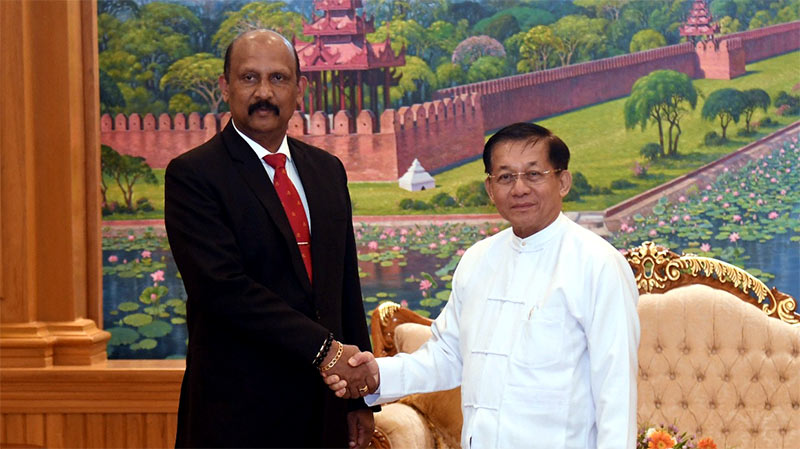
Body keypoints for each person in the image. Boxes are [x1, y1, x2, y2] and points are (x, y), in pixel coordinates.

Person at [326, 122, 641, 448]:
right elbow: (447, 357)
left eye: (534, 174)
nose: (519, 188)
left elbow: (616, 390)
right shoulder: (478, 260)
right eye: (505, 177)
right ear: (490, 189)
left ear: (562, 181)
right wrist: (376, 374)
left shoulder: (598, 264)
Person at [165, 29, 377, 449]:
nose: (264, 92)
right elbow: (223, 289)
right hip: (240, 414)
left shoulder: (327, 170)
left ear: (300, 90)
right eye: (249, 78)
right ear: (226, 87)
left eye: (278, 79)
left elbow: (344, 286)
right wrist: (325, 351)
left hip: (325, 409)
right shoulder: (195, 175)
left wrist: (361, 399)